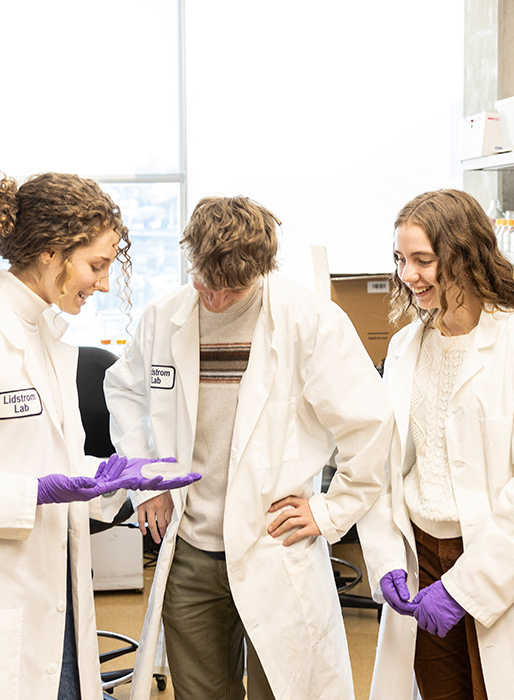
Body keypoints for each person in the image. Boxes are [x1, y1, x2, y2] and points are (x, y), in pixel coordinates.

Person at [0, 172, 199, 700]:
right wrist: (35, 493)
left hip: (53, 601)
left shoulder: (46, 339)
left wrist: (107, 477)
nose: (101, 282)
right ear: (51, 253)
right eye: (96, 265)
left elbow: (41, 460)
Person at [104, 195, 394, 700]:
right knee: (200, 694)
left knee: (280, 690)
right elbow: (124, 390)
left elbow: (371, 426)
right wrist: (146, 479)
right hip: (191, 550)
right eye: (204, 283)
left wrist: (330, 512)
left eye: (231, 289)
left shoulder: (310, 322)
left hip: (274, 545)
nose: (214, 300)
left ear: (262, 271)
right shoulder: (164, 316)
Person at [357, 189, 514, 699]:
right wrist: (385, 559)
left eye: (423, 260)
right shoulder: (405, 348)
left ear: (465, 254)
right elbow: (382, 465)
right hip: (422, 558)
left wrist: (466, 587)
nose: (407, 274)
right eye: (401, 259)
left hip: (500, 564)